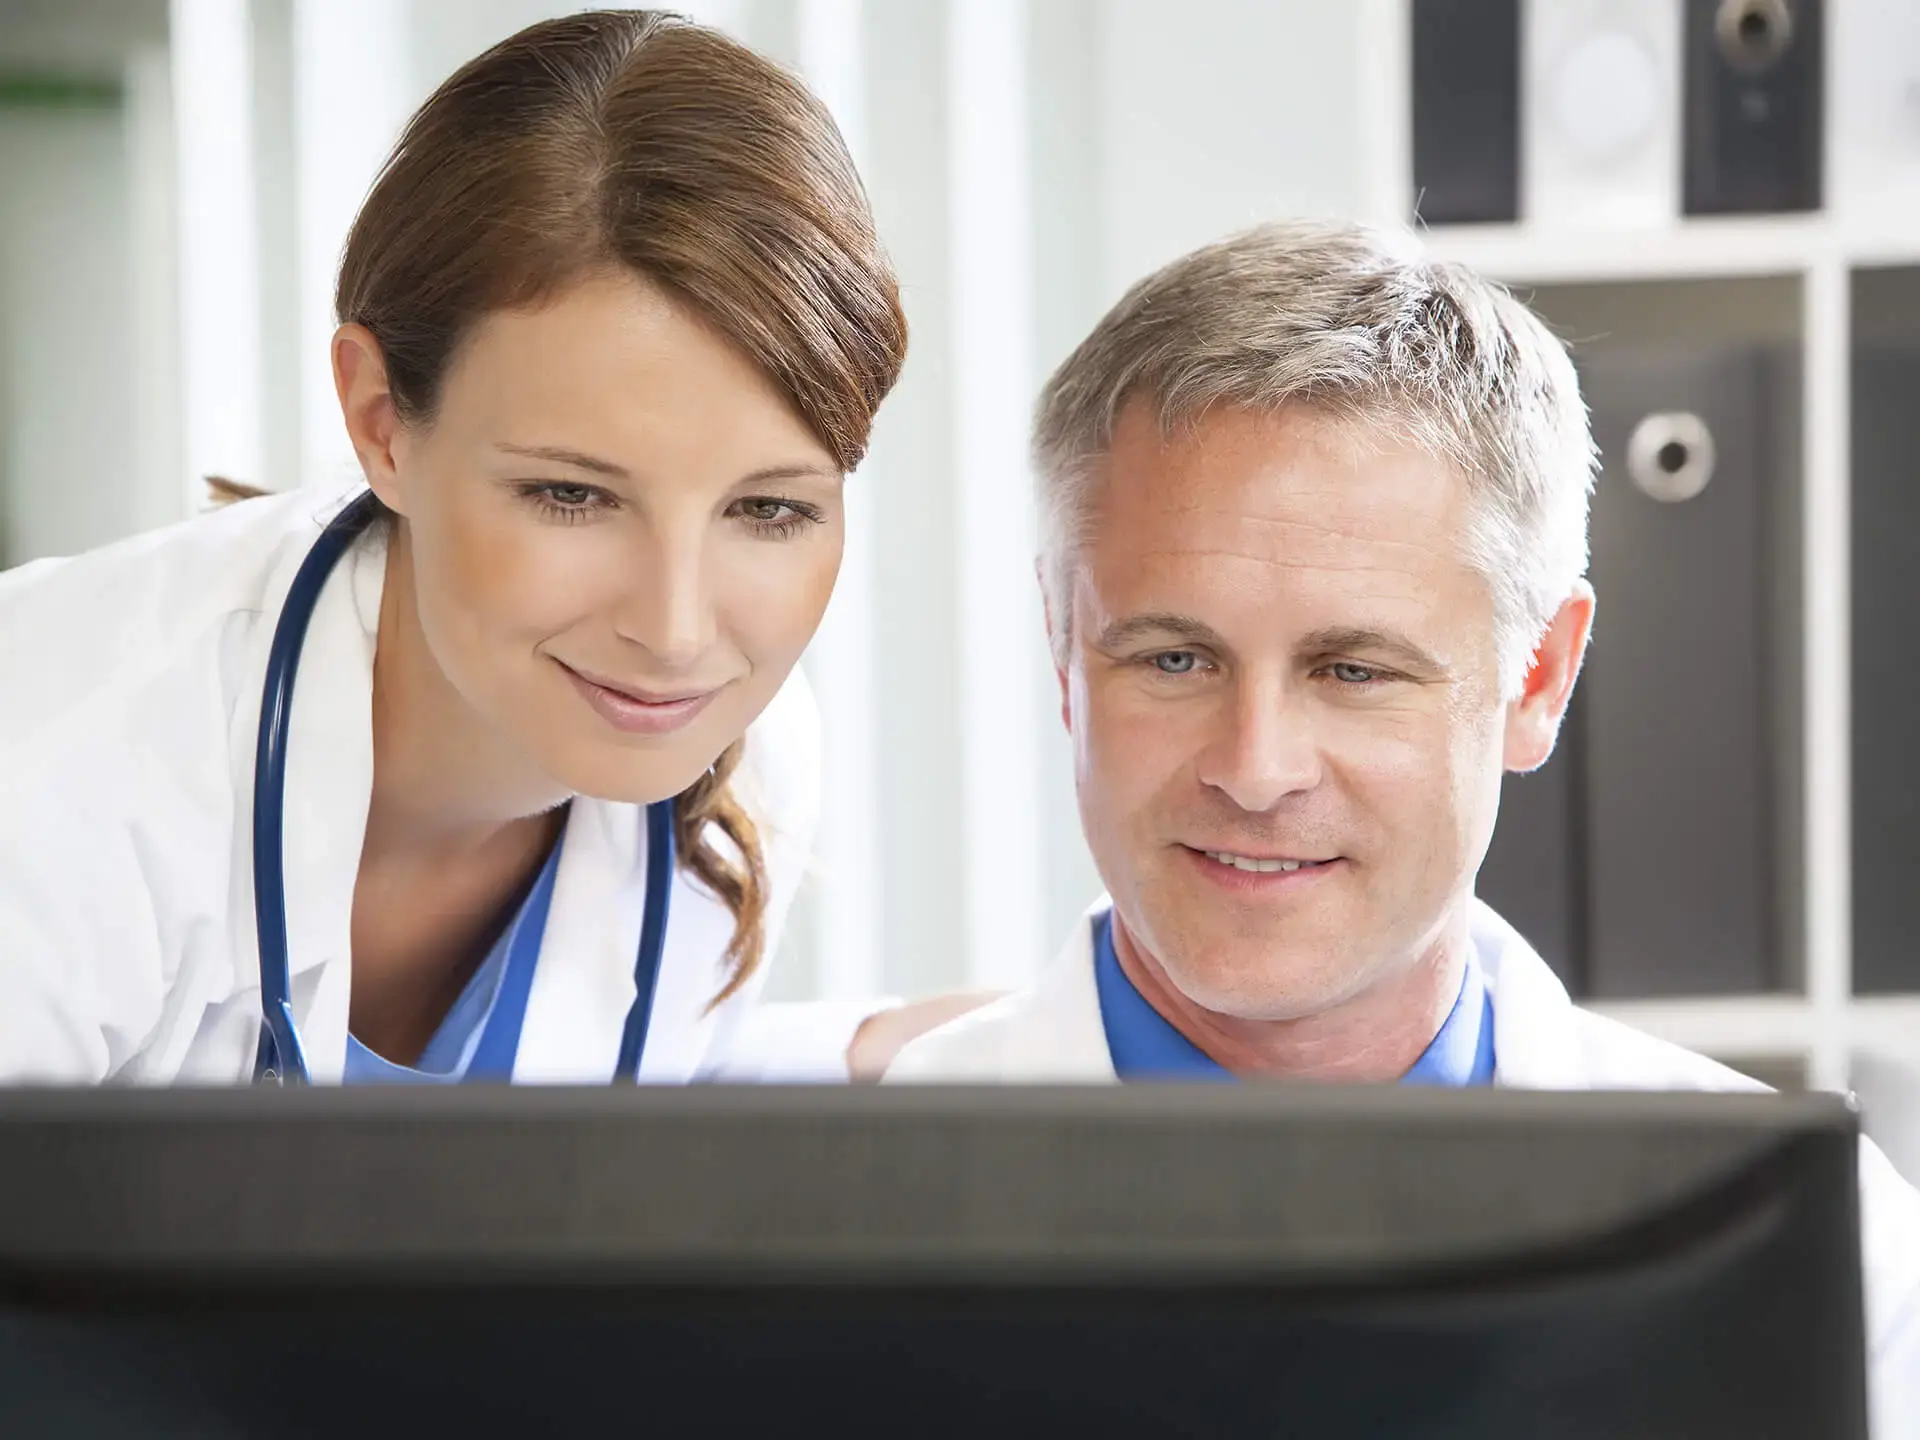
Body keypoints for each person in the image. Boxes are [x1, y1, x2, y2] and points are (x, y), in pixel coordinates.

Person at [885, 220, 1920, 1426]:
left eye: (1355, 671)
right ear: (1064, 652)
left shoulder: (1810, 1246)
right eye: (1174, 658)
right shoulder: (819, 1224)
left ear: (1538, 676)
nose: (1256, 770)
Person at [0, 10, 965, 1085]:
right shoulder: (53, 774)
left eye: (769, 511)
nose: (675, 630)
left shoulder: (747, 763)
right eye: (571, 494)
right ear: (381, 423)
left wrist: (916, 1058)